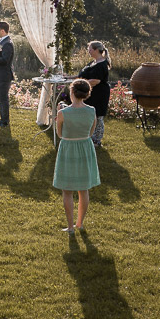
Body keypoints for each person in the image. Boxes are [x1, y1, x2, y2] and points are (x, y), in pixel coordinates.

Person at [53, 79, 100, 234]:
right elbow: (91, 132)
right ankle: (80, 224)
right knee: (83, 189)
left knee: (67, 190)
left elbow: (60, 134)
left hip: (68, 149)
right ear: (87, 94)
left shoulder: (62, 113)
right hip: (85, 148)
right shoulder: (92, 110)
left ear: (72, 92)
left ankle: (71, 227)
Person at [78, 41, 111, 147]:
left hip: (99, 94)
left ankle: (97, 140)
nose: (89, 51)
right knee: (90, 115)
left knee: (98, 116)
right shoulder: (93, 63)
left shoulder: (102, 64)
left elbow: (96, 80)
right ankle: (89, 137)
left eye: (90, 49)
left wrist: (79, 85)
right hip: (91, 93)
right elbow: (83, 76)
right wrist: (69, 78)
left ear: (96, 50)